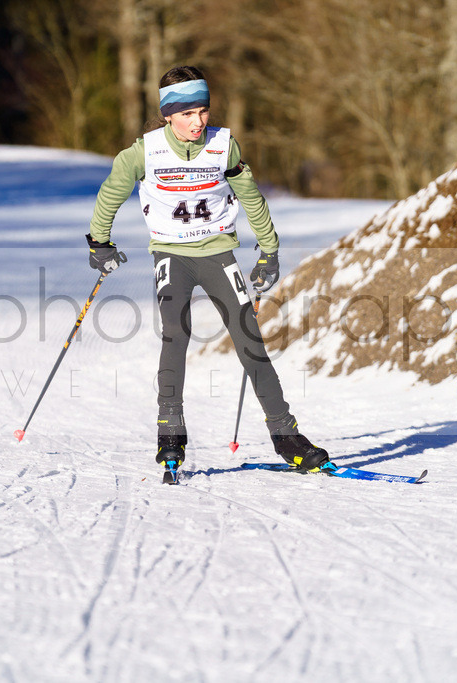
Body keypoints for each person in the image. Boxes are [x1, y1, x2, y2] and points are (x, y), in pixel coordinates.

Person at [86, 65, 330, 475]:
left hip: (218, 254)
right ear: (167, 114)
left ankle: (287, 437)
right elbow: (112, 190)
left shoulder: (224, 146)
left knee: (250, 339)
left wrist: (269, 251)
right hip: (171, 255)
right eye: (186, 114)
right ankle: (170, 434)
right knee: (175, 337)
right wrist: (99, 241)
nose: (197, 122)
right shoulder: (143, 152)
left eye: (202, 111)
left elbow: (250, 196)